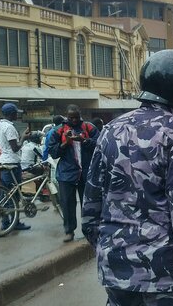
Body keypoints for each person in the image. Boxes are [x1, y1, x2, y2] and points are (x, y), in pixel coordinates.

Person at [82, 50, 173, 306]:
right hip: (165, 281)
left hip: (116, 275)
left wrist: (116, 253)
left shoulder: (111, 131)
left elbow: (90, 212)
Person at [48, 104, 99, 242]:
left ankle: (89, 230)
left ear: (80, 115)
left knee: (87, 204)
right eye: (71, 118)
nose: (74, 120)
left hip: (86, 172)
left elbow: (100, 144)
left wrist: (84, 140)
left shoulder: (89, 127)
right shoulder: (58, 131)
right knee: (67, 204)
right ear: (67, 116)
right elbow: (52, 152)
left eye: (76, 117)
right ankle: (69, 231)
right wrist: (66, 143)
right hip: (66, 174)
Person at [0, 103, 31, 231]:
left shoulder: (0, 126)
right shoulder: (9, 127)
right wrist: (23, 137)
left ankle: (6, 222)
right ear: (11, 114)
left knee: (5, 194)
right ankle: (14, 223)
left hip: (4, 162)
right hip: (12, 163)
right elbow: (15, 147)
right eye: (16, 113)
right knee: (13, 195)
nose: (17, 115)